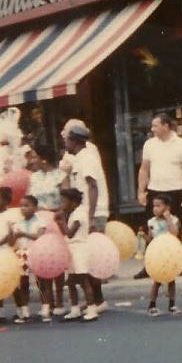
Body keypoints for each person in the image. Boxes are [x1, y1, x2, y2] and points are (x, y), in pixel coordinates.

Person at [135, 113, 182, 279]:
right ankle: (148, 266)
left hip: (177, 191)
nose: (152, 129)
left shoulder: (181, 144)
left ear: (166, 126)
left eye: (155, 125)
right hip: (155, 190)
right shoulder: (149, 145)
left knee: (174, 230)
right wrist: (141, 191)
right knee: (151, 228)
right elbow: (144, 169)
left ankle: (175, 264)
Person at [63, 121, 109, 313]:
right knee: (86, 259)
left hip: (93, 212)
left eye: (66, 139)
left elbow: (92, 186)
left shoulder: (87, 157)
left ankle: (98, 300)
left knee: (91, 258)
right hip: (85, 213)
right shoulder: (79, 158)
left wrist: (90, 218)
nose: (64, 143)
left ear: (74, 141)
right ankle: (96, 300)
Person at [28, 143, 71, 315]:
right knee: (39, 261)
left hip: (55, 220)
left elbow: (67, 200)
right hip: (38, 221)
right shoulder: (34, 177)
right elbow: (30, 200)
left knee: (56, 259)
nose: (32, 160)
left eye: (35, 157)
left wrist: (58, 214)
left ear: (43, 159)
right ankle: (46, 302)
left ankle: (59, 301)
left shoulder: (61, 176)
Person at [55, 188, 95, 321]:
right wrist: (60, 222)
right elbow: (65, 233)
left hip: (80, 248)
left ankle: (91, 309)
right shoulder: (73, 213)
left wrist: (61, 221)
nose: (62, 204)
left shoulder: (80, 213)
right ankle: (75, 309)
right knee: (71, 281)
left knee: (84, 280)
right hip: (72, 249)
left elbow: (71, 233)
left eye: (64, 201)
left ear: (73, 202)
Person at [11, 195, 50, 323]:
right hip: (22, 254)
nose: (23, 208)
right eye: (21, 206)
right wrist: (11, 232)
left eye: (27, 205)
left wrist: (22, 234)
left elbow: (39, 236)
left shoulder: (40, 221)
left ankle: (45, 309)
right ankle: (25, 310)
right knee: (23, 283)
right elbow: (13, 241)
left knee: (41, 282)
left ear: (35, 207)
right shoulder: (18, 223)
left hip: (37, 252)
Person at [146, 195, 181, 317]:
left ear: (167, 207)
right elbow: (150, 239)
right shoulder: (151, 222)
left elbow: (174, 234)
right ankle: (152, 304)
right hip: (157, 254)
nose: (155, 209)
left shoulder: (174, 220)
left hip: (169, 253)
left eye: (158, 206)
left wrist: (168, 219)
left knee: (171, 280)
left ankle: (172, 304)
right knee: (157, 280)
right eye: (153, 206)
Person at [0, 186, 19, 324]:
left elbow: (10, 235)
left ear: (6, 200)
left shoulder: (12, 214)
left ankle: (21, 310)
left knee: (13, 282)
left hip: (7, 252)